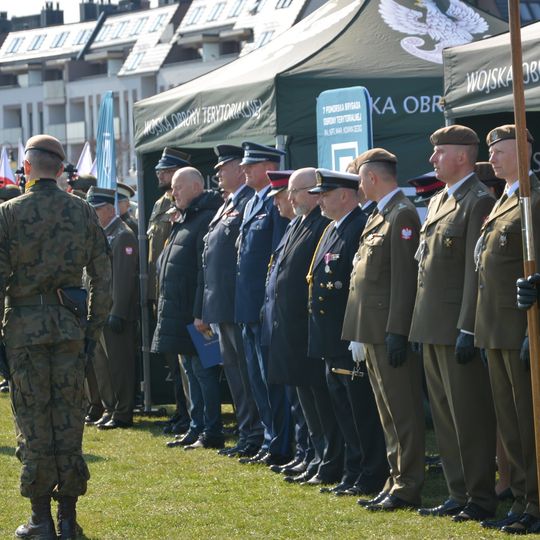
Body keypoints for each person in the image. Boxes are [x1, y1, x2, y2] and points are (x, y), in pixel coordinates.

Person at [0, 134, 111, 539]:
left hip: (24, 334)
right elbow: (103, 278)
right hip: (69, 332)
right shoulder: (83, 211)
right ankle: (67, 518)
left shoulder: (8, 214)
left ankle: (40, 519)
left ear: (27, 168)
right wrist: (91, 330)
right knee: (68, 422)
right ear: (62, 170)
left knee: (33, 425)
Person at [409, 125, 497, 522]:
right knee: (444, 417)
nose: (433, 159)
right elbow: (425, 267)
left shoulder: (477, 200)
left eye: (440, 151)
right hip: (431, 324)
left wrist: (467, 327)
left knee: (468, 415)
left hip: (455, 327)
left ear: (462, 156)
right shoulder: (441, 199)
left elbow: (473, 271)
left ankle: (479, 495)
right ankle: (457, 491)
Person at [342, 148, 424, 510]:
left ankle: (407, 485)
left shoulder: (402, 214)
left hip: (388, 329)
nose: (359, 185)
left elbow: (404, 279)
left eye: (360, 178)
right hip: (372, 327)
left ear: (371, 177)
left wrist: (397, 330)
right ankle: (395, 479)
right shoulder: (380, 213)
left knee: (402, 411)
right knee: (387, 412)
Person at [306, 169, 388, 494]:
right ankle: (353, 472)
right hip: (330, 337)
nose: (320, 201)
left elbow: (358, 285)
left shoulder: (359, 227)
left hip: (347, 334)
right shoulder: (332, 228)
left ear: (344, 195)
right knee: (343, 410)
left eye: (325, 195)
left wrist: (357, 331)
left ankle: (371, 473)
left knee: (360, 412)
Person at [477, 125, 540, 534]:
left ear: (523, 151)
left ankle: (535, 501)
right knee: (511, 424)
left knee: (529, 422)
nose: (492, 159)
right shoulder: (505, 198)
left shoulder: (533, 197)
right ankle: (521, 498)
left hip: (521, 327)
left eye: (500, 151)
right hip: (496, 328)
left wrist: (532, 330)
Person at [265, 168, 345, 487]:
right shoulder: (297, 223)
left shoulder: (321, 225)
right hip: (291, 326)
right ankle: (313, 455)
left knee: (319, 399)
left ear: (313, 192)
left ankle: (328, 460)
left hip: (308, 326)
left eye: (295, 191)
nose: (290, 197)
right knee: (304, 399)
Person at [196, 144, 262, 458]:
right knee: (235, 374)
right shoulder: (229, 203)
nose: (219, 174)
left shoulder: (248, 202)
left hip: (236, 304)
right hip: (221, 304)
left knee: (247, 375)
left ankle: (256, 434)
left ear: (238, 168)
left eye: (224, 168)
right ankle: (247, 433)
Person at [152, 167, 224, 449]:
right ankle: (196, 427)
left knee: (205, 372)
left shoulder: (205, 218)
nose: (173, 193)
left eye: (178, 187)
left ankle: (212, 430)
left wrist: (201, 313)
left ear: (196, 187)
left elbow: (205, 271)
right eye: (173, 188)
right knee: (191, 372)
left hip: (198, 315)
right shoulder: (184, 218)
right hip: (180, 312)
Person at [235, 142, 291, 466]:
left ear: (269, 167)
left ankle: (280, 444)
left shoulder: (274, 203)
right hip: (246, 306)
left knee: (271, 380)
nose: (244, 169)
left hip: (263, 306)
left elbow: (276, 257)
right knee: (256, 379)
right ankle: (270, 439)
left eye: (251, 165)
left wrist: (266, 303)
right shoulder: (251, 203)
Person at [259, 170, 311, 478]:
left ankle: (309, 453)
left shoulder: (311, 227)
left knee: (305, 400)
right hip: (279, 322)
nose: (283, 201)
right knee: (294, 398)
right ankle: (304, 452)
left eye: (285, 195)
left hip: (297, 325)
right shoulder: (293, 227)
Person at [86, 187, 139, 430]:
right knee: (102, 365)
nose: (93, 215)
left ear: (108, 209)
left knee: (119, 365)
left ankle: (123, 412)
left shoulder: (122, 235)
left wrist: (117, 311)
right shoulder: (100, 234)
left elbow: (123, 278)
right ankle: (110, 408)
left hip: (114, 312)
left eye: (96, 210)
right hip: (98, 311)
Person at [147, 147, 191, 435]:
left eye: (165, 171)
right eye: (159, 171)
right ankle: (181, 410)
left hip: (177, 292)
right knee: (172, 362)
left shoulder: (183, 205)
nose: (160, 175)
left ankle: (190, 413)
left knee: (184, 359)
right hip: (160, 291)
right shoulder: (161, 204)